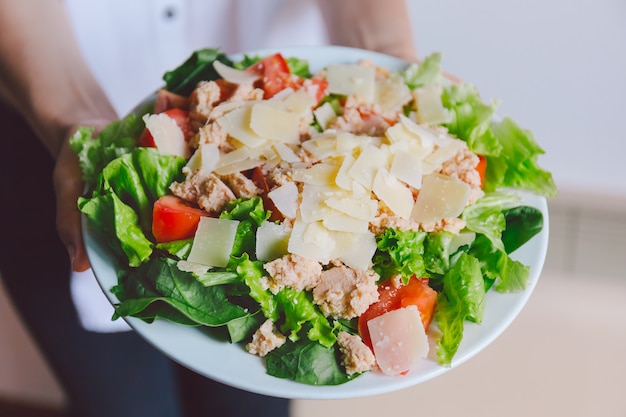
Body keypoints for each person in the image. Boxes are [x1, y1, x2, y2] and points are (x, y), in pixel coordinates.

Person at [0, 1, 417, 416]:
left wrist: (388, 55)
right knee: (122, 404)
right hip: (52, 115)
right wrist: (73, 116)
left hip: (288, 106)